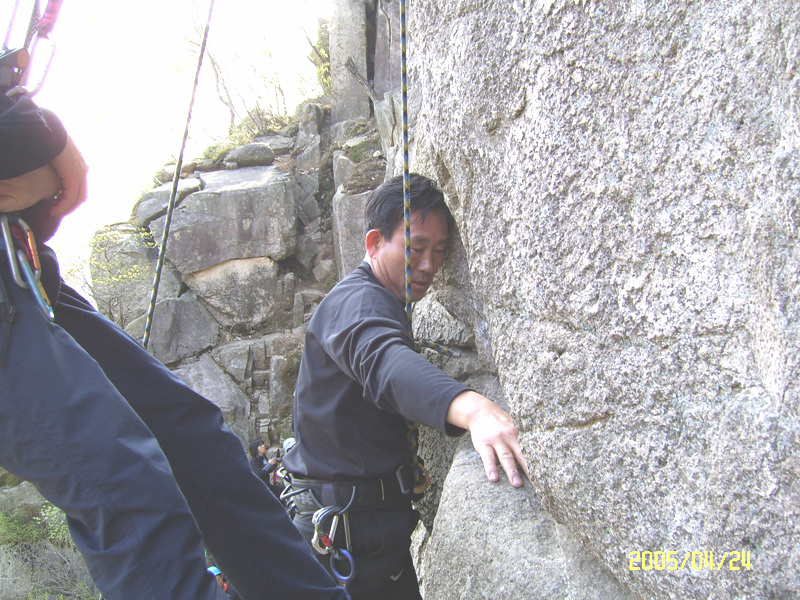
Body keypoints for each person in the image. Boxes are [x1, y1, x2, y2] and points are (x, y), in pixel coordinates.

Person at [0, 94, 348, 599]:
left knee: (197, 442)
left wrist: (35, 138)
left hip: (22, 272)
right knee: (125, 486)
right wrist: (41, 136)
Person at [282, 173, 529, 599]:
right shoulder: (356, 302)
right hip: (345, 537)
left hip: (369, 527)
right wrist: (473, 409)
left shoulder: (383, 301)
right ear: (374, 243)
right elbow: (385, 362)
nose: (429, 265)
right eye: (416, 248)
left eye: (441, 250)